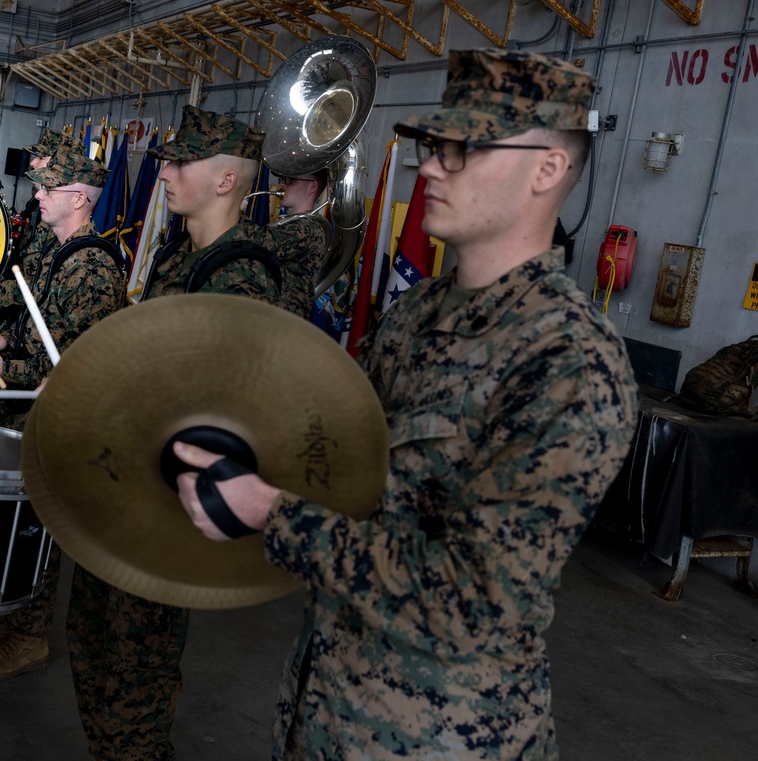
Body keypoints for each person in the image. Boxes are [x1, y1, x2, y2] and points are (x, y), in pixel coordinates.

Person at [173, 48, 640, 759]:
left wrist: (272, 514)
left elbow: (475, 600)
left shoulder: (567, 359)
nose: (430, 167)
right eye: (432, 146)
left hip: (442, 739)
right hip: (328, 708)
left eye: (462, 150)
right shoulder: (421, 310)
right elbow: (333, 445)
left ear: (547, 169)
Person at [66, 104, 281, 760]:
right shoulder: (176, 256)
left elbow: (218, 402)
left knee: (135, 671)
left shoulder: (239, 274)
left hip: (167, 506)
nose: (166, 172)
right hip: (126, 487)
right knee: (92, 642)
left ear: (224, 182)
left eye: (183, 161)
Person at [0, 145, 126, 682]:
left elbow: (74, 370)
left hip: (57, 421)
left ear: (78, 198)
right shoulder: (60, 252)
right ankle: (14, 618)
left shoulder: (91, 267)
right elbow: (41, 336)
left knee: (37, 529)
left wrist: (7, 369)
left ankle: (30, 639)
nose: (37, 194)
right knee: (17, 521)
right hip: (30, 414)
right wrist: (3, 343)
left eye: (47, 189)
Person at [0, 128, 84, 328]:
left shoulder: (61, 216)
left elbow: (51, 287)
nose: (32, 162)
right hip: (22, 323)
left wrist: (2, 290)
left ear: (60, 163)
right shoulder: (35, 205)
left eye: (41, 156)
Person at [247, 169, 329, 319]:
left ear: (313, 186)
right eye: (282, 179)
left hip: (282, 326)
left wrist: (232, 208)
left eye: (290, 179)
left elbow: (256, 244)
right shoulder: (291, 225)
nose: (283, 184)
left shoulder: (307, 227)